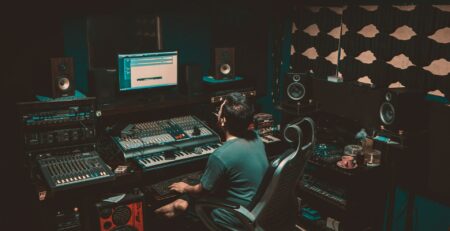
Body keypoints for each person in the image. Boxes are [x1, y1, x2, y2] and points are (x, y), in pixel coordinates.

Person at [154, 92, 269, 230]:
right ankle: (179, 205)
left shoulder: (221, 155)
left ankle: (154, 219)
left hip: (235, 215)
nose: (217, 112)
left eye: (219, 110)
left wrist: (185, 187)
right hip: (258, 209)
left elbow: (200, 191)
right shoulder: (255, 137)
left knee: (184, 203)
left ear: (223, 120)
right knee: (185, 199)